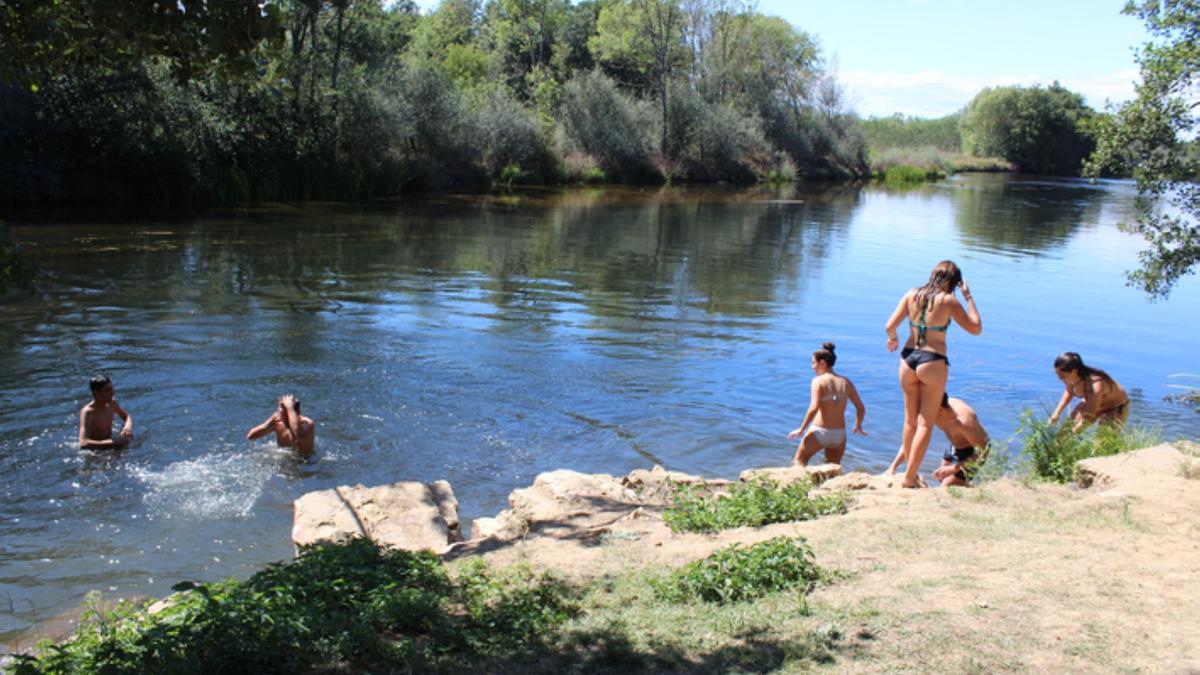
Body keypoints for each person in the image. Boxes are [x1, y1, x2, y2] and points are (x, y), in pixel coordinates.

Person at [884, 261, 982, 488]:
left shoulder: (911, 294)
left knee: (909, 421)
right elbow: (976, 328)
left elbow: (890, 325)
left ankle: (910, 473)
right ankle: (909, 477)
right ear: (956, 282)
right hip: (932, 360)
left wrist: (893, 338)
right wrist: (968, 298)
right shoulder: (949, 300)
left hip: (907, 358)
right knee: (925, 424)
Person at [788, 342, 867, 466]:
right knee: (832, 470)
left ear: (822, 363)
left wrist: (801, 429)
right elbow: (861, 408)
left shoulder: (818, 381)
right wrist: (858, 425)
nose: (812, 367)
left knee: (799, 463)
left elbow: (814, 408)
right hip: (839, 435)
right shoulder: (846, 382)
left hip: (820, 431)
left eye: (813, 363)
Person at [889, 393, 989, 487]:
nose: (923, 416)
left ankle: (969, 488)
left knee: (946, 486)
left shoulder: (965, 421)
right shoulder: (932, 410)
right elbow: (911, 438)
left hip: (972, 452)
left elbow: (984, 450)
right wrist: (893, 467)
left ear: (940, 411)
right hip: (954, 446)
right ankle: (964, 484)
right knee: (940, 478)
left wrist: (954, 468)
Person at [1049, 352, 1129, 432]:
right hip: (1090, 401)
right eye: (1057, 374)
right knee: (1064, 432)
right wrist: (1056, 413)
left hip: (1115, 407)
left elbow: (1088, 419)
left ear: (1074, 372)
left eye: (1062, 376)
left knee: (1103, 440)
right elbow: (1069, 391)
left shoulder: (1096, 386)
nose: (1059, 378)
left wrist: (1073, 432)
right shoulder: (1070, 378)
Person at [246, 394, 315, 456]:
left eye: (285, 414)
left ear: (298, 412)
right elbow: (251, 436)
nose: (280, 416)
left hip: (305, 462)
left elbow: (297, 432)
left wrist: (289, 407)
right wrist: (269, 422)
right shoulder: (278, 422)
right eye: (280, 412)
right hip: (284, 459)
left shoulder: (307, 423)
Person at [78, 375, 133, 450]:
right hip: (96, 451)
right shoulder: (88, 412)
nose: (112, 393)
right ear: (96, 393)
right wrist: (115, 442)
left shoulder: (112, 403)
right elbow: (83, 443)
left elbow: (126, 417)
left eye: (112, 389)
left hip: (110, 443)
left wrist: (127, 427)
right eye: (108, 390)